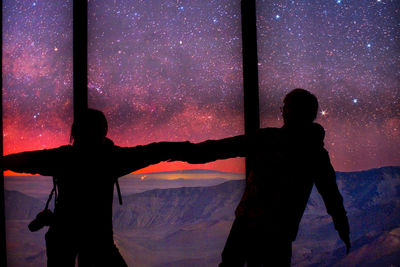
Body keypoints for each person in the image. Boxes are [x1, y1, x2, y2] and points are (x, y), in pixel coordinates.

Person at [177, 89, 351, 266]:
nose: (282, 112)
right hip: (280, 232)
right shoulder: (315, 153)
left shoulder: (268, 139)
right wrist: (343, 228)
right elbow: (331, 195)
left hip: (248, 224)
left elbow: (221, 148)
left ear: (291, 111)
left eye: (285, 108)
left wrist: (180, 152)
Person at [0, 108, 191, 267]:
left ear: (75, 133)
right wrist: (190, 150)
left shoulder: (63, 157)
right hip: (97, 238)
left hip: (63, 234)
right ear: (104, 131)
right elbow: (154, 151)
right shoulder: (111, 158)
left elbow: (26, 160)